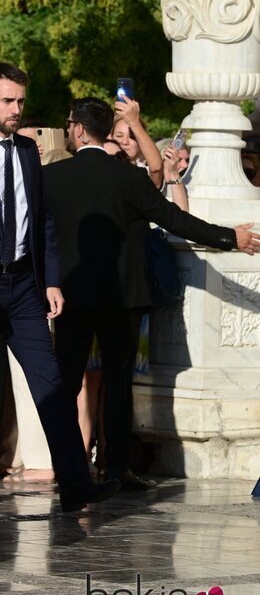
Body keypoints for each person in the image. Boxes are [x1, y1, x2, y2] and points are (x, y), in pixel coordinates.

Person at [0, 63, 120, 513]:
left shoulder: (29, 153)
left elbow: (44, 222)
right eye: (8, 101)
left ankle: (76, 485)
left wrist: (51, 279)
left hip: (22, 288)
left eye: (20, 101)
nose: (16, 110)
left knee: (53, 387)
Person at [45, 98, 259, 491]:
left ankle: (70, 468)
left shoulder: (53, 178)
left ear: (77, 129)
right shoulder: (129, 179)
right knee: (119, 384)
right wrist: (231, 238)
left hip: (72, 295)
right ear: (105, 130)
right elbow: (177, 219)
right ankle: (116, 468)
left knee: (68, 382)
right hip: (123, 297)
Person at [111, 97, 163, 188]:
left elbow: (156, 168)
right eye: (119, 136)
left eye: (132, 137)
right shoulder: (101, 167)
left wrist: (134, 122)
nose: (124, 142)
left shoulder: (144, 173)